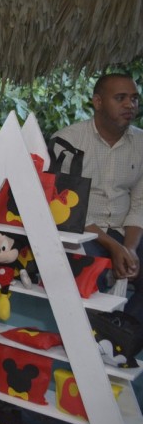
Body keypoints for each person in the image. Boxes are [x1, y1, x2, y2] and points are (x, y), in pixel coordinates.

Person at [51, 73, 142, 321]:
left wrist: (130, 248)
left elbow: (139, 203)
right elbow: (65, 207)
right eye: (120, 98)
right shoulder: (67, 142)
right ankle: (94, 333)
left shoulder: (140, 143)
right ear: (98, 102)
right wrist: (114, 247)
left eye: (134, 98)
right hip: (83, 231)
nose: (130, 105)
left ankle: (124, 333)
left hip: (124, 230)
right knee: (89, 274)